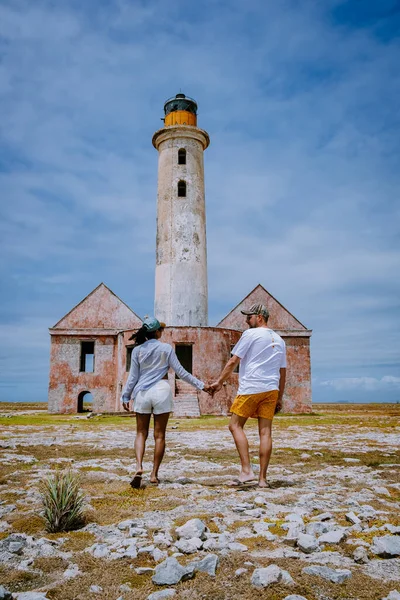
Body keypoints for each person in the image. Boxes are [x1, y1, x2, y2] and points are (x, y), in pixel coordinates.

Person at [121, 316, 210, 488]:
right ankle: (154, 474)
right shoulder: (166, 348)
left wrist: (125, 396)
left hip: (143, 393)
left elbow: (133, 377)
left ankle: (139, 466)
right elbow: (181, 372)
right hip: (161, 390)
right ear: (156, 332)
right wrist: (202, 386)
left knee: (141, 433)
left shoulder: (137, 351)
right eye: (161, 329)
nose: (162, 331)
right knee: (159, 435)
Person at [209, 304, 286, 488]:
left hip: (252, 387)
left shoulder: (250, 334)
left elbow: (234, 360)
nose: (246, 320)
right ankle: (262, 480)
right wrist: (280, 397)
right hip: (271, 389)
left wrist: (219, 382)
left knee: (234, 425)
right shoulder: (279, 339)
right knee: (265, 432)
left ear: (260, 317)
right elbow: (283, 372)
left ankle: (246, 470)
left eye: (249, 317)